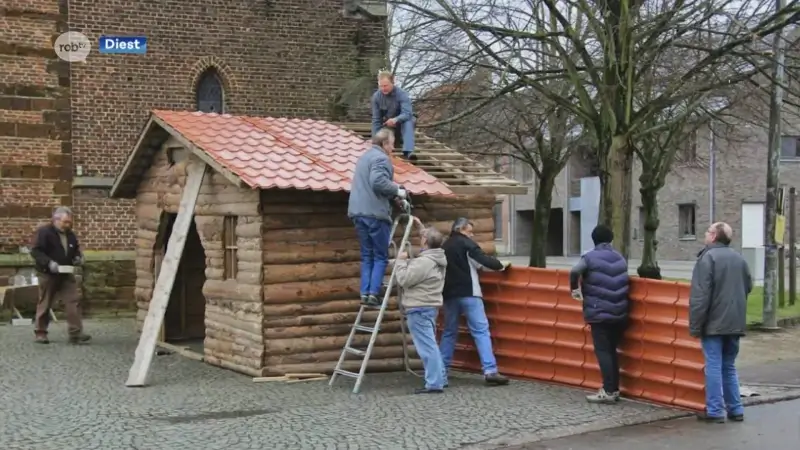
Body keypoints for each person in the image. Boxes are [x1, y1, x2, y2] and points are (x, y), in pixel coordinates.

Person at [690, 222, 751, 423]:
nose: (705, 234)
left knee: (713, 366)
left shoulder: (707, 258)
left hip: (713, 323)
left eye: (708, 231)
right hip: (735, 322)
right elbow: (748, 287)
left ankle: (715, 410)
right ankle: (736, 409)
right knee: (729, 365)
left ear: (714, 236)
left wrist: (696, 326)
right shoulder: (739, 259)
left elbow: (700, 297)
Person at [440, 217, 510, 386]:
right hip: (469, 293)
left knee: (449, 332)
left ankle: (441, 370)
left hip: (448, 294)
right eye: (470, 231)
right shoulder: (467, 244)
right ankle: (490, 370)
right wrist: (501, 265)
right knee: (480, 331)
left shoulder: (444, 245)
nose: (471, 235)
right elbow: (483, 261)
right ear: (462, 229)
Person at [569, 224, 630, 404]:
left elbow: (574, 271)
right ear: (611, 240)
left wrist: (575, 289)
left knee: (604, 351)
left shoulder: (589, 258)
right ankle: (614, 389)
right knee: (612, 351)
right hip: (620, 311)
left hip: (599, 312)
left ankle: (609, 391)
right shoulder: (620, 258)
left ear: (593, 240)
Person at [348, 128, 408, 307]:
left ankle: (365, 293)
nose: (393, 148)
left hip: (358, 212)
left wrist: (394, 198)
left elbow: (372, 185)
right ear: (384, 144)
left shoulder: (364, 158)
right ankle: (374, 293)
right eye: (392, 144)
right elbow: (378, 182)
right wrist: (398, 191)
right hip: (375, 214)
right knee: (380, 256)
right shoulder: (381, 158)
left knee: (367, 255)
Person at [394, 224, 448, 394]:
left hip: (419, 307)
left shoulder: (425, 261)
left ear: (425, 241)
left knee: (427, 348)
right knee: (431, 345)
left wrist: (401, 261)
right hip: (429, 306)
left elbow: (404, 279)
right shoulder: (437, 258)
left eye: (421, 238)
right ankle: (440, 378)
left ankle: (434, 383)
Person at [29, 206, 91, 345]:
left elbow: (75, 250)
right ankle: (40, 333)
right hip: (48, 274)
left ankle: (75, 333)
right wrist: (48, 263)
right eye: (65, 222)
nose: (68, 225)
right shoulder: (44, 232)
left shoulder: (70, 234)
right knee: (45, 303)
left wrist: (78, 258)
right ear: (55, 220)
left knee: (73, 301)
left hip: (66, 273)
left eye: (69, 222)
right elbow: (35, 251)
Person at [371, 70, 416, 161]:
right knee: (381, 134)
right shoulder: (376, 97)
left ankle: (408, 151)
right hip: (388, 126)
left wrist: (396, 119)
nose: (383, 88)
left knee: (408, 121)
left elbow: (407, 113)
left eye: (386, 85)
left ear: (392, 82)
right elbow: (376, 119)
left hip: (402, 124)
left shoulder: (402, 94)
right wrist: (375, 140)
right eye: (381, 86)